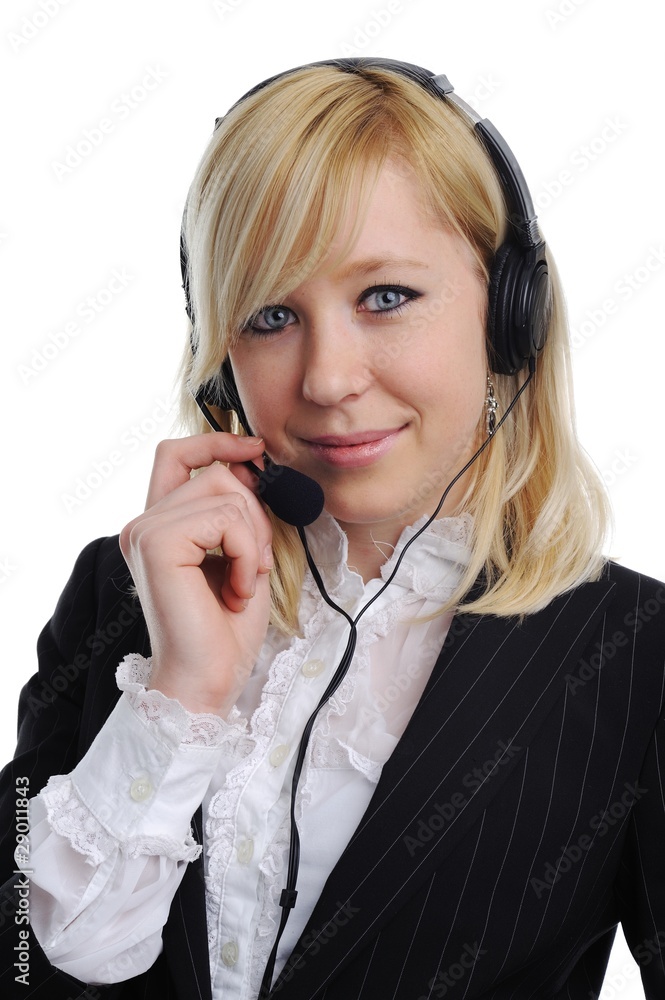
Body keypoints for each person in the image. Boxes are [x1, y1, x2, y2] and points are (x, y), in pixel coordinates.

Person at [1, 56, 664, 1000]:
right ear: (220, 360)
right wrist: (183, 695)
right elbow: (22, 967)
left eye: (384, 297)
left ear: (508, 314)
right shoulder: (122, 593)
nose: (325, 380)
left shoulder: (632, 652)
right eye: (270, 314)